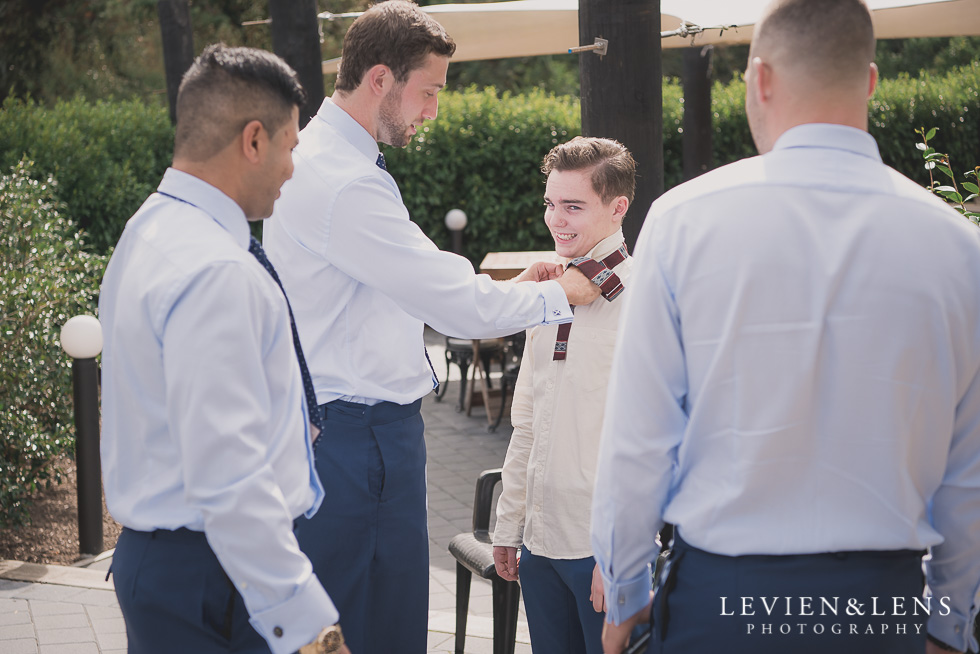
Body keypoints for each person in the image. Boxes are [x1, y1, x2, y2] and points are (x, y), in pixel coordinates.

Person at [590, 0, 980, 653]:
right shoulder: (958, 247)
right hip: (880, 610)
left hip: (723, 604)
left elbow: (637, 440)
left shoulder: (684, 222)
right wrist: (947, 621)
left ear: (761, 79)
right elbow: (968, 474)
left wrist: (624, 592)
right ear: (872, 82)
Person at [261, 1, 600, 651]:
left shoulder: (319, 159)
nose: (434, 111)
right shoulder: (344, 181)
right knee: (373, 635)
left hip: (339, 434)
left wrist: (506, 288)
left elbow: (401, 286)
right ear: (381, 79)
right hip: (357, 442)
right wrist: (561, 294)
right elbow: (454, 308)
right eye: (430, 91)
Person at [99, 44, 350, 654]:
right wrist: (315, 632)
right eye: (292, 147)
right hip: (215, 578)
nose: (294, 169)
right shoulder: (216, 269)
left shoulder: (149, 229)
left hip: (174, 567)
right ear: (254, 140)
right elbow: (229, 473)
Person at [492, 137, 635, 654]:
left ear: (617, 207)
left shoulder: (642, 301)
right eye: (551, 203)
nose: (556, 219)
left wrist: (623, 553)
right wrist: (508, 525)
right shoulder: (548, 294)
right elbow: (527, 422)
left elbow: (648, 439)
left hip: (600, 551)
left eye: (573, 206)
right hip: (539, 544)